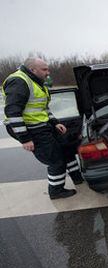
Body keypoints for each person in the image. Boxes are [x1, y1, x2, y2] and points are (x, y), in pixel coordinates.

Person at [1, 57, 83, 199]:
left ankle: (77, 177)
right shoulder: (19, 81)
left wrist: (55, 122)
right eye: (44, 69)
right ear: (33, 69)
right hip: (31, 129)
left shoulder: (37, 82)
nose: (48, 72)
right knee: (55, 160)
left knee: (66, 148)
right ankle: (56, 191)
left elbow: (42, 108)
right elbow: (12, 112)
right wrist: (25, 139)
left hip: (42, 125)